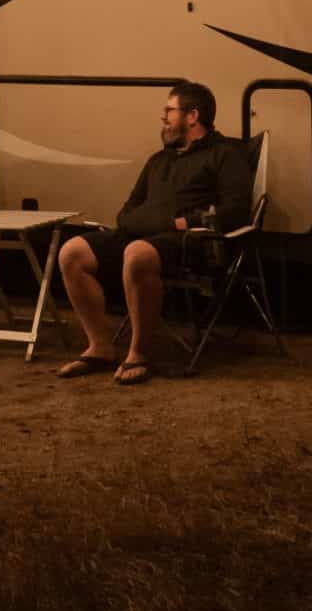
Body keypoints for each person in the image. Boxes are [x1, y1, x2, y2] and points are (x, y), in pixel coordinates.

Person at [54, 81, 228, 385]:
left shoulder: (225, 154)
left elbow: (234, 211)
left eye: (169, 111)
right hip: (147, 233)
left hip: (191, 241)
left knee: (136, 253)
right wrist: (165, 221)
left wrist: (178, 224)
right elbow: (125, 215)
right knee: (72, 252)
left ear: (192, 116)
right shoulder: (157, 161)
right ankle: (101, 347)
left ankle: (138, 353)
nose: (163, 118)